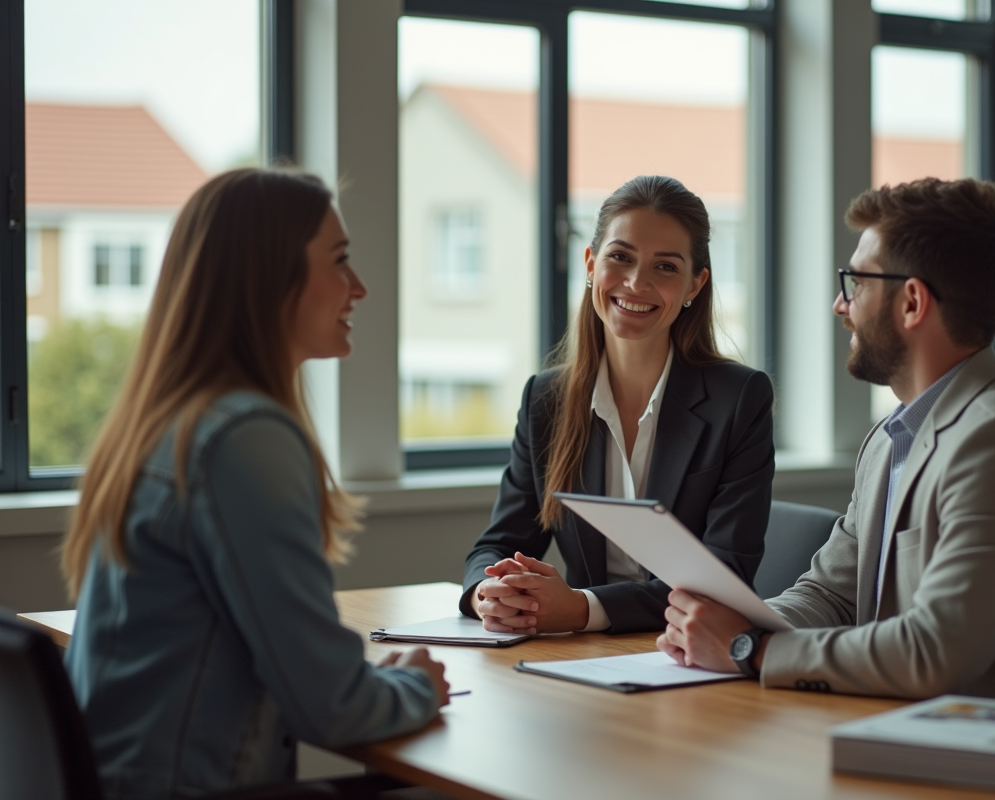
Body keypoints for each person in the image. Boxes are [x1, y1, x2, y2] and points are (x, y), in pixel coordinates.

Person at [658, 177, 995, 709]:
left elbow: (934, 651)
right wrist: (738, 626)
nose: (840, 305)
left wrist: (751, 648)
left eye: (856, 283)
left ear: (911, 302)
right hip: (915, 733)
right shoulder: (891, 438)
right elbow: (830, 593)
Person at [61, 168, 450, 800]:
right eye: (340, 261)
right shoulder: (243, 439)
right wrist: (415, 685)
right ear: (266, 276)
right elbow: (330, 706)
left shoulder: (169, 424)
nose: (360, 288)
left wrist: (361, 679)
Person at [460, 175, 775, 635]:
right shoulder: (545, 400)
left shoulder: (739, 399)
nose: (635, 282)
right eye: (620, 257)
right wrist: (488, 593)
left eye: (665, 267)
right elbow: (500, 542)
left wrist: (582, 608)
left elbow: (724, 576)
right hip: (584, 659)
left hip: (691, 658)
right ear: (590, 263)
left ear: (695, 285)